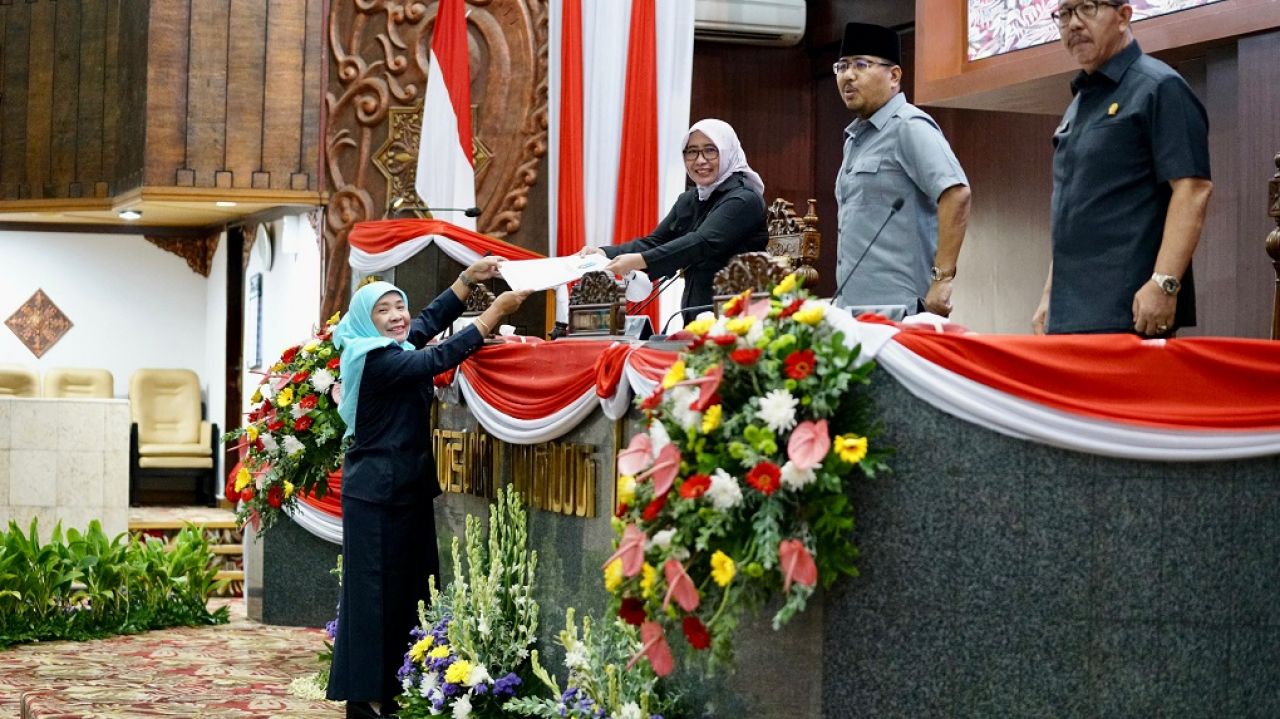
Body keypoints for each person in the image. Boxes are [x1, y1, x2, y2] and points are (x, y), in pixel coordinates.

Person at [326, 259, 529, 719]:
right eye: (385, 311)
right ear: (365, 321)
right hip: (377, 497)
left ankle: (396, 687)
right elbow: (433, 358)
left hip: (404, 491)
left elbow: (423, 327)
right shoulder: (374, 358)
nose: (398, 316)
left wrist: (462, 283)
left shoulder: (386, 346)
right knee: (375, 598)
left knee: (409, 593)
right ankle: (366, 699)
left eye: (400, 305)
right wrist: (490, 315)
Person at [1033, 0, 1212, 336]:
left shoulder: (1159, 87)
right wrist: (1049, 294)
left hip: (1129, 311)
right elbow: (1074, 210)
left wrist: (1164, 283)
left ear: (1124, 16)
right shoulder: (1080, 103)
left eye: (1087, 7)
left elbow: (1193, 190)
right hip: (1069, 314)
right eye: (1065, 13)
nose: (1073, 24)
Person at [834, 22, 971, 319]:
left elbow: (957, 193)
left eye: (861, 65)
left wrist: (942, 280)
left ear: (894, 75)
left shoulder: (908, 126)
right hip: (853, 311)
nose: (848, 75)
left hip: (901, 310)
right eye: (842, 66)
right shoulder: (856, 139)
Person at [578, 118, 767, 320]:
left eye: (710, 150)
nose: (700, 160)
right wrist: (603, 253)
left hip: (740, 318)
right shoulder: (690, 200)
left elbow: (701, 242)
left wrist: (640, 261)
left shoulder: (745, 198)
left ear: (728, 151)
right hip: (695, 315)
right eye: (692, 151)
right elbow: (655, 242)